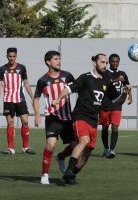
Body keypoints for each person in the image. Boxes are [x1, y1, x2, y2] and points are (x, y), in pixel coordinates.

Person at [52, 53, 129, 184]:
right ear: (94, 62)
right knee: (84, 140)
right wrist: (58, 99)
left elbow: (116, 100)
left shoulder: (106, 81)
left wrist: (125, 93)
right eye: (102, 62)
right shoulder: (85, 78)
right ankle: (69, 169)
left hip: (94, 120)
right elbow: (69, 88)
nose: (104, 65)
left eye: (106, 63)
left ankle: (68, 171)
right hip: (81, 116)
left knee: (86, 153)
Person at [33, 51, 76, 185]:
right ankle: (45, 174)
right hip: (52, 117)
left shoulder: (67, 76)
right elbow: (36, 99)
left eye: (59, 59)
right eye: (56, 59)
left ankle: (61, 157)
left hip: (68, 117)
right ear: (48, 62)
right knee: (51, 144)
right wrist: (37, 115)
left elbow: (78, 88)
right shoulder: (43, 80)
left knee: (75, 145)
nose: (59, 61)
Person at [0, 47, 36, 155]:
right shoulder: (2, 69)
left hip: (20, 99)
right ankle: (10, 148)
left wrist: (33, 97)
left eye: (13, 56)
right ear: (7, 56)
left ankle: (25, 147)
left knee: (25, 122)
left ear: (16, 56)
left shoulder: (22, 68)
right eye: (10, 56)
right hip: (8, 100)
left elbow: (26, 83)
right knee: (10, 123)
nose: (12, 58)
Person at [99, 53, 133, 158]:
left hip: (117, 105)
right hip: (105, 104)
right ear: (109, 62)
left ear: (119, 62)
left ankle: (112, 150)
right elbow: (104, 84)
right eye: (113, 61)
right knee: (105, 128)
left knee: (115, 127)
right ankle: (106, 148)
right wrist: (116, 80)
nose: (115, 63)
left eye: (117, 61)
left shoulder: (123, 73)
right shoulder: (105, 73)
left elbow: (127, 85)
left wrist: (130, 95)